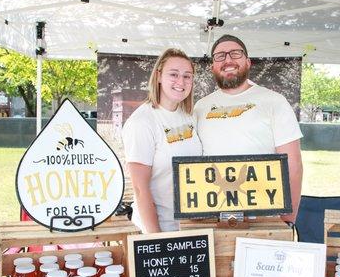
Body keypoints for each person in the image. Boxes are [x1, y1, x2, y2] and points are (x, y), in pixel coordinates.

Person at [193, 34, 303, 224]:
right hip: (214, 216)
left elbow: (293, 166)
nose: (228, 59)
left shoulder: (274, 101)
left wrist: (287, 220)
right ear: (212, 67)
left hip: (263, 217)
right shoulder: (200, 107)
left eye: (235, 54)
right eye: (220, 56)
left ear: (248, 62)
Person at [121, 49, 202, 233]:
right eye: (173, 74)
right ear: (158, 76)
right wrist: (156, 239)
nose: (181, 82)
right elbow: (140, 189)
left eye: (187, 76)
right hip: (158, 228)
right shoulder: (142, 122)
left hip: (188, 226)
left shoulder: (189, 116)